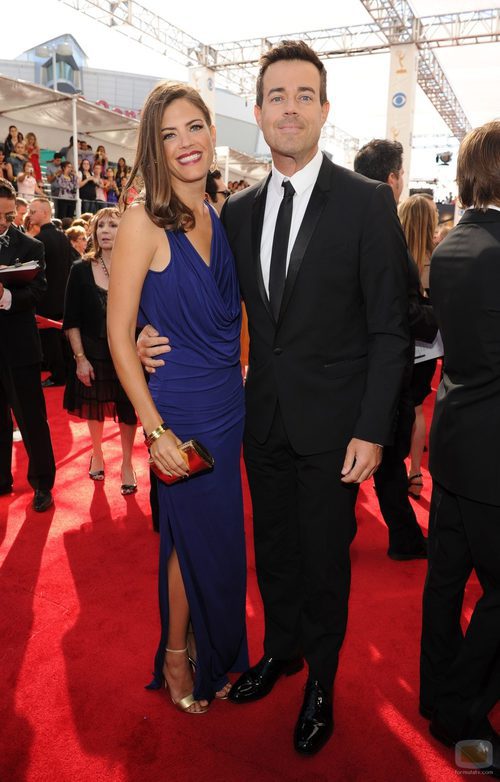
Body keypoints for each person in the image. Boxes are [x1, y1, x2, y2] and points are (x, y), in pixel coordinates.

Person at [138, 41, 409, 754]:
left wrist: (374, 429)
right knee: (277, 553)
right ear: (256, 113)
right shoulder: (242, 211)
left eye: (303, 95)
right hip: (257, 424)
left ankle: (321, 679)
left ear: (324, 109)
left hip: (335, 432)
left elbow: (390, 328)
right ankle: (282, 651)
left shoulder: (364, 204)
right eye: (276, 97)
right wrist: (142, 333)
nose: (289, 108)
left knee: (325, 559)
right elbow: (206, 303)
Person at [107, 83, 249, 714]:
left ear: (212, 133)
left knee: (209, 541)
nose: (185, 143)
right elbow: (117, 331)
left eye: (194, 127)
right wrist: (154, 427)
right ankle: (175, 656)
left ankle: (203, 647)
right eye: (169, 134)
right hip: (181, 414)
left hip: (228, 405)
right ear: (154, 148)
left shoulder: (219, 215)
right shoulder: (144, 218)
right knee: (194, 538)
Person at [419, 120, 500, 778]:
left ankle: (434, 693)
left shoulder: (451, 245)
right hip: (493, 454)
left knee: (445, 582)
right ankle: (460, 712)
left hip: (453, 439)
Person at [353, 138, 437, 559]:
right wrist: (437, 317)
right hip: (382, 365)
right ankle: (402, 537)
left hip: (368, 364)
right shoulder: (380, 222)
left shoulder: (357, 217)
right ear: (391, 178)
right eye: (401, 174)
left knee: (378, 459)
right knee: (381, 455)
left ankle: (401, 536)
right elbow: (395, 307)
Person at [63, 208, 137, 494]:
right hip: (92, 353)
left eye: (113, 225)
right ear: (93, 232)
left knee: (128, 409)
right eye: (101, 225)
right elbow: (71, 320)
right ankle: (97, 452)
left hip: (128, 354)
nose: (106, 230)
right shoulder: (80, 269)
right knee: (94, 408)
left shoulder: (134, 266)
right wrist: (80, 359)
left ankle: (128, 462)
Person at [0, 178, 55, 512]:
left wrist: (6, 296)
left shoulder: (30, 246)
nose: (4, 221)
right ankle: (1, 479)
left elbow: (38, 291)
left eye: (8, 214)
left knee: (31, 419)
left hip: (18, 347)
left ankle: (42, 484)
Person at [398, 195, 439, 499]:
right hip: (428, 345)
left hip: (399, 343)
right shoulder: (436, 259)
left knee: (398, 406)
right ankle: (415, 473)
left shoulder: (396, 257)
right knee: (418, 409)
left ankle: (392, 469)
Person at [29, 198, 74, 387]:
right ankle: (67, 372)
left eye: (33, 211)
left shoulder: (38, 241)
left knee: (50, 339)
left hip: (46, 299)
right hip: (63, 296)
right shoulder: (63, 236)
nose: (29, 215)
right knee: (63, 338)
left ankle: (58, 375)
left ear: (45, 213)